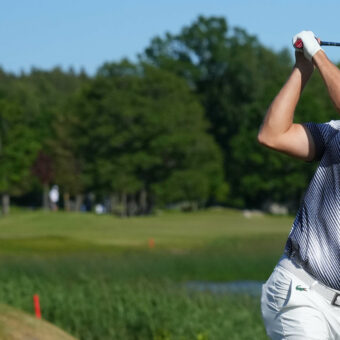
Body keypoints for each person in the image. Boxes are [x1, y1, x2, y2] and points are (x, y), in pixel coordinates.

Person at [258, 30, 340, 339]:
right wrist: (303, 67)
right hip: (303, 292)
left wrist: (318, 54)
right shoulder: (335, 135)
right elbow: (273, 134)